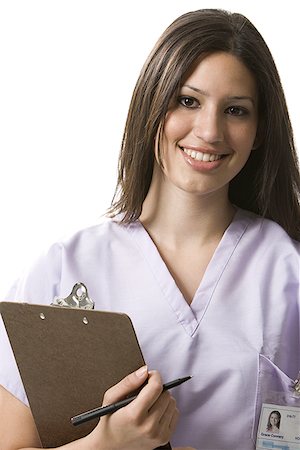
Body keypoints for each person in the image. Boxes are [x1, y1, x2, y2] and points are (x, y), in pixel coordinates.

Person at [0, 7, 299, 450]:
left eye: (236, 110)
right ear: (151, 103)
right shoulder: (63, 268)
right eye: (188, 100)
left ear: (258, 132)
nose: (210, 130)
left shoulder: (289, 273)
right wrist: (106, 445)